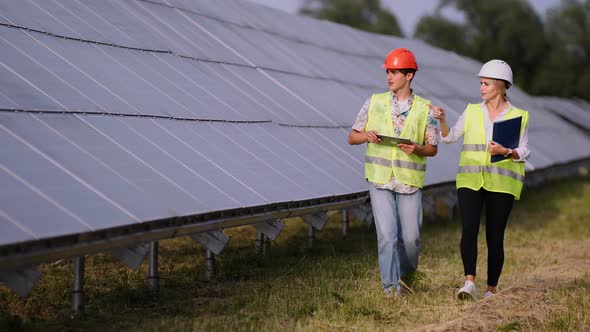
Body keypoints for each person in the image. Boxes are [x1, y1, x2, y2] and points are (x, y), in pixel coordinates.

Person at [432, 59, 530, 300]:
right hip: (470, 179)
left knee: (495, 236)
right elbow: (450, 137)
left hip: (501, 183)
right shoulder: (472, 111)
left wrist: (506, 151)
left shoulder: (519, 116)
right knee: (468, 230)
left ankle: (491, 290)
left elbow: (525, 150)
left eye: (486, 83)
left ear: (500, 86)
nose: (481, 88)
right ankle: (469, 283)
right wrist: (442, 121)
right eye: (481, 83)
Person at [348, 48, 439, 298]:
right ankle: (391, 289)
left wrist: (417, 148)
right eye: (388, 71)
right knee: (387, 236)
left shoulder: (425, 109)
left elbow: (432, 148)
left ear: (409, 75)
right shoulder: (374, 102)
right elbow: (352, 137)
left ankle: (407, 279)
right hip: (379, 178)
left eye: (395, 72)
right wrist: (366, 136)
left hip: (409, 181)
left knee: (411, 240)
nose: (389, 76)